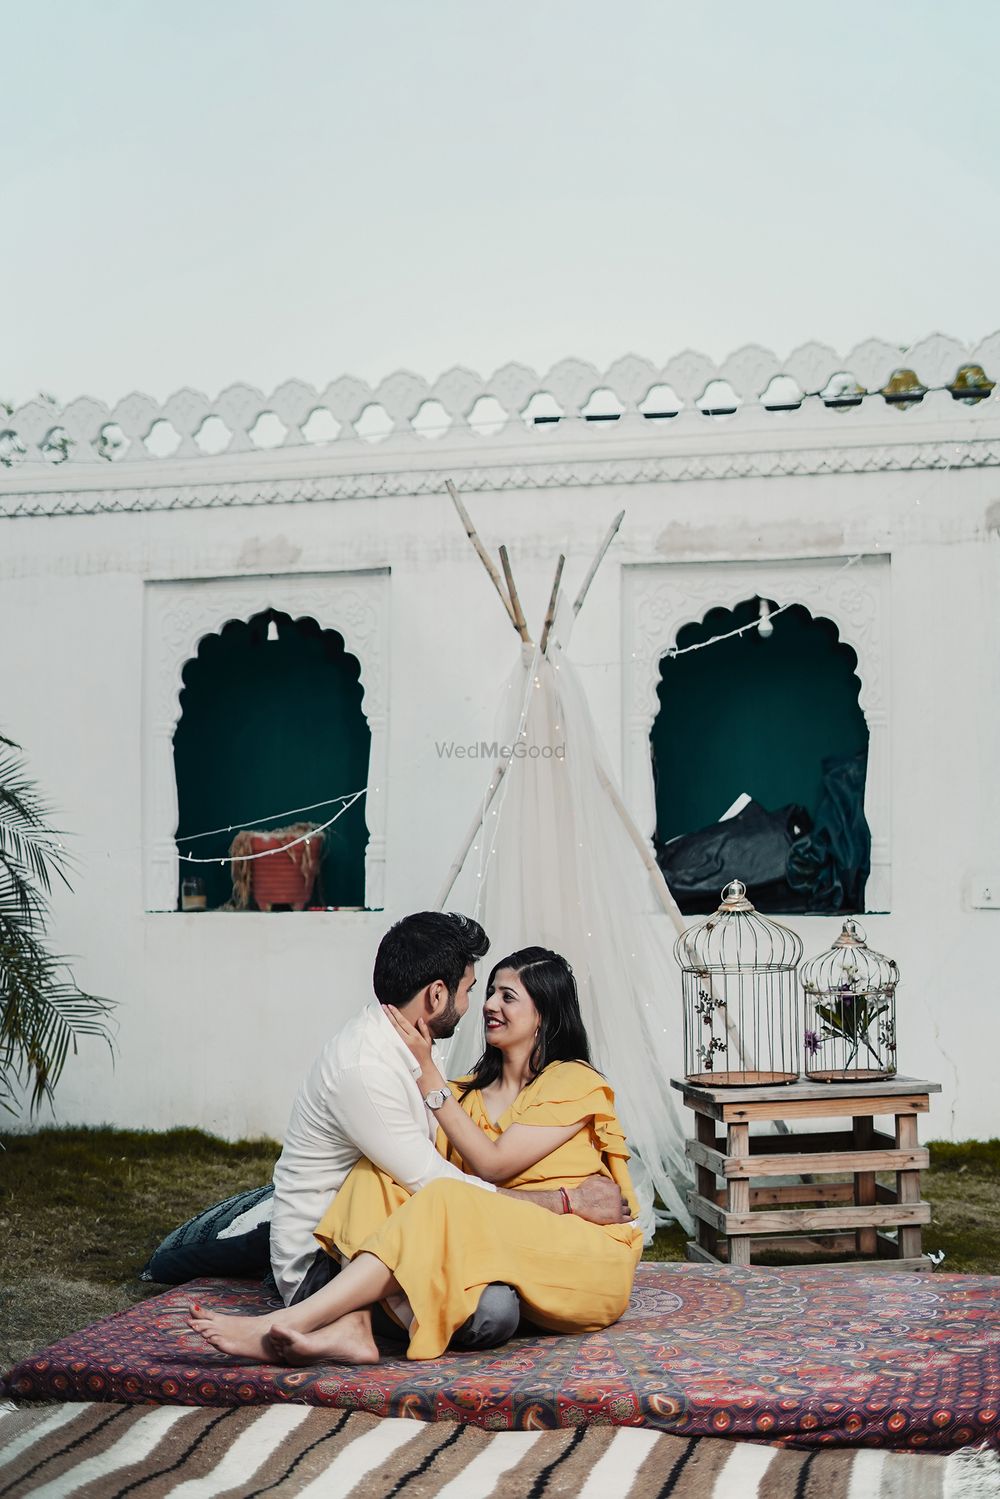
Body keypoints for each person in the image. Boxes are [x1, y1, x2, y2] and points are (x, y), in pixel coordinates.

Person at [189, 946, 642, 1364]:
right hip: (502, 1247)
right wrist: (436, 1086)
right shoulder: (462, 1096)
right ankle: (352, 1325)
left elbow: (494, 1164)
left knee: (445, 1195)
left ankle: (289, 1321)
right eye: (487, 993)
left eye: (508, 997)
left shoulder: (572, 1080)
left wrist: (426, 1071)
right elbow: (430, 1179)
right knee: (378, 1172)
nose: (489, 1005)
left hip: (578, 1248)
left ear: (544, 1014)